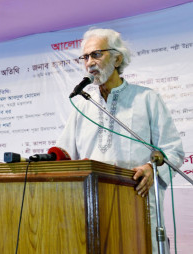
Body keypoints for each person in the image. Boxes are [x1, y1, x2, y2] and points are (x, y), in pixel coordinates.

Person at [56, 28, 184, 253]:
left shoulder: (146, 99)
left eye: (96, 54)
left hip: (137, 202)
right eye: (85, 57)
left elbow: (173, 151)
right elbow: (63, 155)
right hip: (93, 206)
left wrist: (152, 170)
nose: (89, 63)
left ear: (117, 58)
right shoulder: (82, 104)